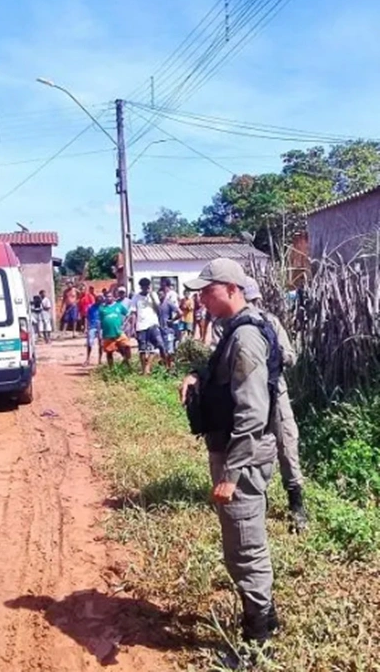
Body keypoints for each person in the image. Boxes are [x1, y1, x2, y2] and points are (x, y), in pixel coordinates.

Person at [180, 259, 280, 658]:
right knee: (240, 542)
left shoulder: (246, 337)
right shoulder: (233, 331)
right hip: (232, 452)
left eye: (208, 290)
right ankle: (263, 618)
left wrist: (231, 473)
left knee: (244, 546)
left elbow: (252, 412)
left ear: (232, 289)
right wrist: (196, 375)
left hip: (242, 457)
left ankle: (259, 642)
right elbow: (222, 375)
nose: (201, 297)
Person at [244, 277, 308, 532]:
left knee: (287, 443)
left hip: (275, 391)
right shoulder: (229, 326)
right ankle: (259, 498)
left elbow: (290, 355)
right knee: (252, 445)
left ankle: (296, 503)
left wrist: (274, 356)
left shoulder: (270, 322)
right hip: (247, 395)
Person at [129, 278, 165, 375]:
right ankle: (143, 369)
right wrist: (132, 328)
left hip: (153, 324)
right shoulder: (136, 297)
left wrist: (152, 297)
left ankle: (148, 367)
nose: (146, 288)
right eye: (144, 286)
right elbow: (133, 313)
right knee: (142, 349)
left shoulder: (153, 295)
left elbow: (159, 310)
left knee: (157, 345)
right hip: (141, 325)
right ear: (141, 287)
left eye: (147, 286)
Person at [99, 291, 131, 367]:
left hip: (119, 332)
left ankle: (126, 362)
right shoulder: (102, 308)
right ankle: (111, 369)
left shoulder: (119, 306)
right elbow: (100, 321)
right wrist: (99, 332)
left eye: (110, 296)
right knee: (109, 352)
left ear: (113, 297)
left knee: (127, 346)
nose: (108, 298)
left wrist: (125, 324)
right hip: (107, 333)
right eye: (107, 296)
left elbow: (128, 314)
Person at [156, 283, 181, 371]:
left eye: (161, 294)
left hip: (169, 330)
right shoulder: (159, 305)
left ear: (165, 294)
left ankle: (171, 367)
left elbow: (180, 313)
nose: (160, 296)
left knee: (170, 351)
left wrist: (172, 320)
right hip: (161, 330)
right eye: (158, 294)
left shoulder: (169, 303)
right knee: (163, 349)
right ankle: (166, 366)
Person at [83, 294, 103, 367]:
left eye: (100, 301)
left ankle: (100, 360)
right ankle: (87, 359)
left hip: (101, 327)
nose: (99, 302)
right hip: (92, 327)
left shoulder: (103, 308)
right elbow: (86, 317)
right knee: (89, 343)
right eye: (98, 301)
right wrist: (86, 328)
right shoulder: (90, 307)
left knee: (101, 344)